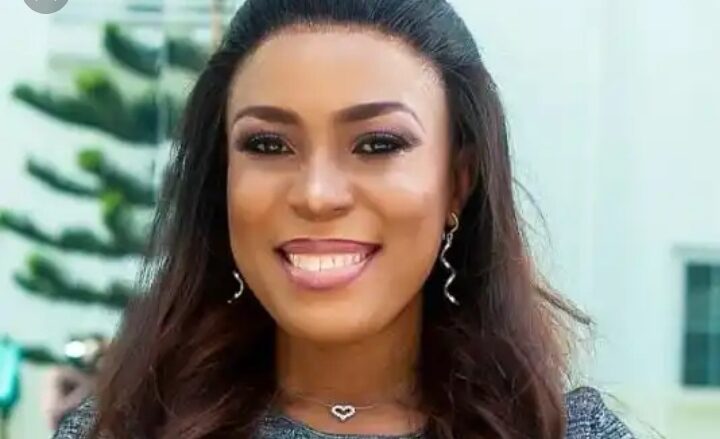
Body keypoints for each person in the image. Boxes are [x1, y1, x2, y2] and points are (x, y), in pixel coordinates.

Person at [53, 0, 636, 438]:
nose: (317, 195)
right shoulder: (120, 430)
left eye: (378, 144)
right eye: (268, 145)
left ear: (458, 181)